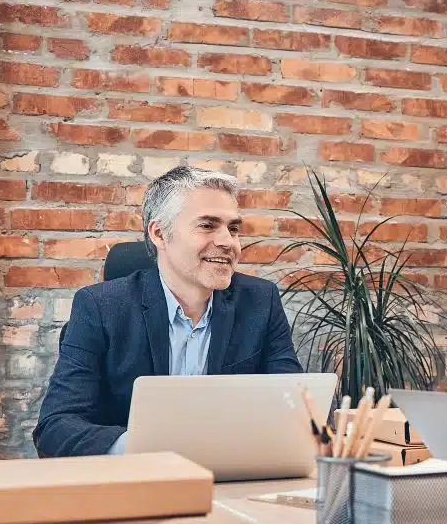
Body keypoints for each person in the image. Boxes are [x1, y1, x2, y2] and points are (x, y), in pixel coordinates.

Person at [32, 165, 302, 457]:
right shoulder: (101, 307)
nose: (228, 242)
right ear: (160, 234)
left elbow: (300, 412)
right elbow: (55, 428)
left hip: (231, 480)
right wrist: (147, 450)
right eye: (208, 225)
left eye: (233, 228)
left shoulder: (260, 301)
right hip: (137, 484)